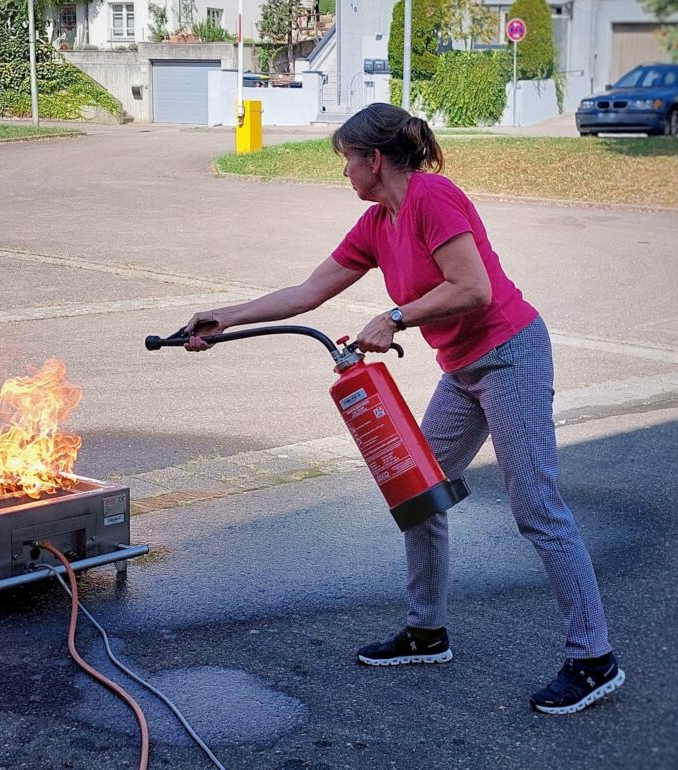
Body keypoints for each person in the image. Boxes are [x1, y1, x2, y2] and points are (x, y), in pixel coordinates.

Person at [183, 103, 623, 715]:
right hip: (463, 368)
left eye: (347, 161)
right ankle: (426, 632)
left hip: (510, 355)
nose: (344, 174)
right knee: (418, 491)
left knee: (537, 509)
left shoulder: (432, 197)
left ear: (376, 158)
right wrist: (223, 318)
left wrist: (394, 317)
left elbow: (474, 289)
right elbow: (308, 292)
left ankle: (594, 658)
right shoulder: (377, 222)